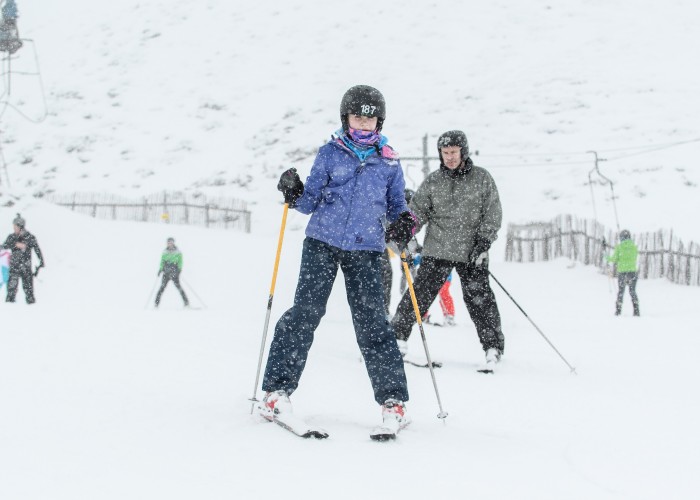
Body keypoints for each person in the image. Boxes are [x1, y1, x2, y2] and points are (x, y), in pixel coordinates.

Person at [258, 85, 414, 438]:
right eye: (357, 116)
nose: (363, 122)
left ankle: (394, 402)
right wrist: (294, 191)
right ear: (345, 118)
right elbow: (308, 201)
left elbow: (397, 208)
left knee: (373, 322)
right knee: (305, 313)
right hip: (322, 243)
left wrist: (405, 220)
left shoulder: (389, 161)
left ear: (379, 121)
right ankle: (276, 393)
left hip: (367, 248)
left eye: (370, 117)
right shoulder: (330, 153)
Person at [390, 130, 505, 371]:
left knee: (480, 300)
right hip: (438, 248)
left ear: (463, 152)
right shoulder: (434, 181)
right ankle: (396, 339)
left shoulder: (482, 179)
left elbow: (492, 213)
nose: (450, 157)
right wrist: (407, 227)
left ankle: (492, 348)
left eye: (454, 152)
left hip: (472, 252)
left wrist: (484, 242)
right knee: (418, 296)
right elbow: (418, 210)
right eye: (445, 153)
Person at [2, 213, 44, 303]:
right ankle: (9, 309)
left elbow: (37, 250)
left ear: (20, 226)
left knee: (29, 293)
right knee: (10, 292)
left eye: (15, 226)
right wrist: (15, 244)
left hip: (26, 268)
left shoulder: (29, 237)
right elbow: (4, 246)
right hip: (14, 268)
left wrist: (41, 262)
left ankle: (32, 310)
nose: (13, 228)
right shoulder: (12, 237)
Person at [606, 229, 640, 316]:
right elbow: (635, 257)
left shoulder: (619, 247)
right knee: (632, 291)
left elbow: (613, 259)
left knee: (621, 292)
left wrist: (605, 256)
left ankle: (618, 310)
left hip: (622, 273)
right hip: (632, 272)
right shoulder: (634, 247)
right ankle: (636, 310)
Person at [154, 237, 189, 308]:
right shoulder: (164, 252)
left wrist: (179, 270)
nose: (170, 244)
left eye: (171, 242)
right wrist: (160, 270)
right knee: (162, 288)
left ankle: (186, 303)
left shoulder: (178, 252)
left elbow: (180, 262)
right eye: (168, 243)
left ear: (173, 243)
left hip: (174, 272)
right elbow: (162, 262)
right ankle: (156, 304)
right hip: (166, 273)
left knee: (179, 288)